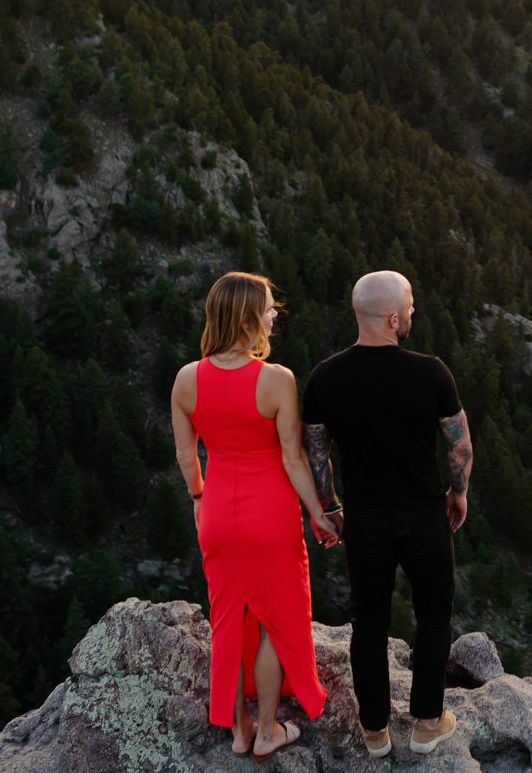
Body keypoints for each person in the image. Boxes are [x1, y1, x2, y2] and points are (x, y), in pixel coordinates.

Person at [302, 270, 474, 758]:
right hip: (423, 513)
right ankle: (426, 724)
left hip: (365, 518)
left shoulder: (325, 377)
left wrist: (330, 507)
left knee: (369, 622)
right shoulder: (431, 371)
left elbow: (316, 452)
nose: (414, 314)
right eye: (412, 307)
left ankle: (374, 732)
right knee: (434, 612)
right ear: (395, 317)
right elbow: (459, 445)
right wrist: (456, 493)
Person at [170, 272, 340, 760]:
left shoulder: (186, 379)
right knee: (271, 621)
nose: (273, 316)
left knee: (227, 621)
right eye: (267, 308)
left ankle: (238, 730)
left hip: (219, 511)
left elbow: (187, 456)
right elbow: (293, 458)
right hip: (271, 514)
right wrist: (321, 512)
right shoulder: (276, 380)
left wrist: (199, 499)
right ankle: (268, 730)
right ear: (247, 319)